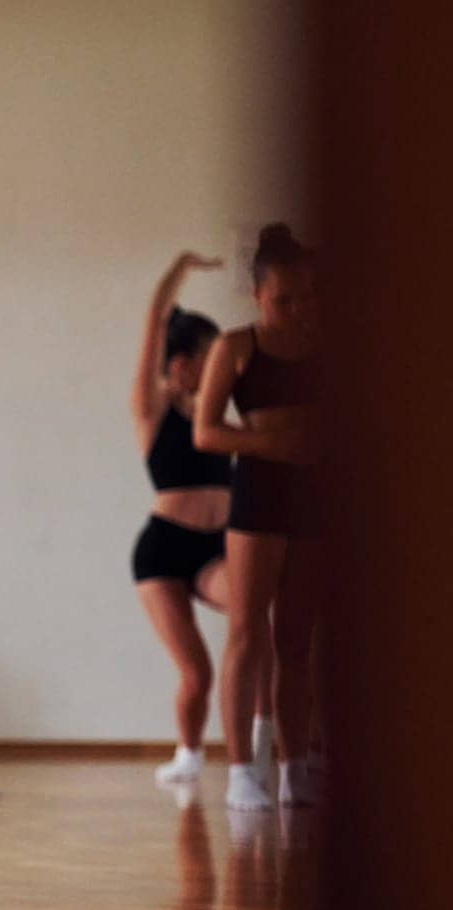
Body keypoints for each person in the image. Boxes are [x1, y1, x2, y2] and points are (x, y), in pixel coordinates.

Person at [128, 253, 273, 787]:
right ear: (184, 362)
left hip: (217, 547)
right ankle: (188, 755)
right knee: (197, 671)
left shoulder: (219, 417)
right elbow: (153, 325)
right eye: (209, 360)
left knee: (257, 623)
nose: (219, 371)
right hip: (163, 552)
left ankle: (262, 740)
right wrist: (178, 270)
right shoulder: (152, 410)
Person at [194, 224, 322, 810]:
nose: (296, 310)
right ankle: (243, 771)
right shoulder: (237, 347)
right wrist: (276, 445)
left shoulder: (328, 345)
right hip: (259, 493)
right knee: (248, 631)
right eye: (282, 300)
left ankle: (296, 765)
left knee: (297, 639)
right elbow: (206, 431)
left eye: (306, 297)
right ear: (257, 296)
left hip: (315, 496)